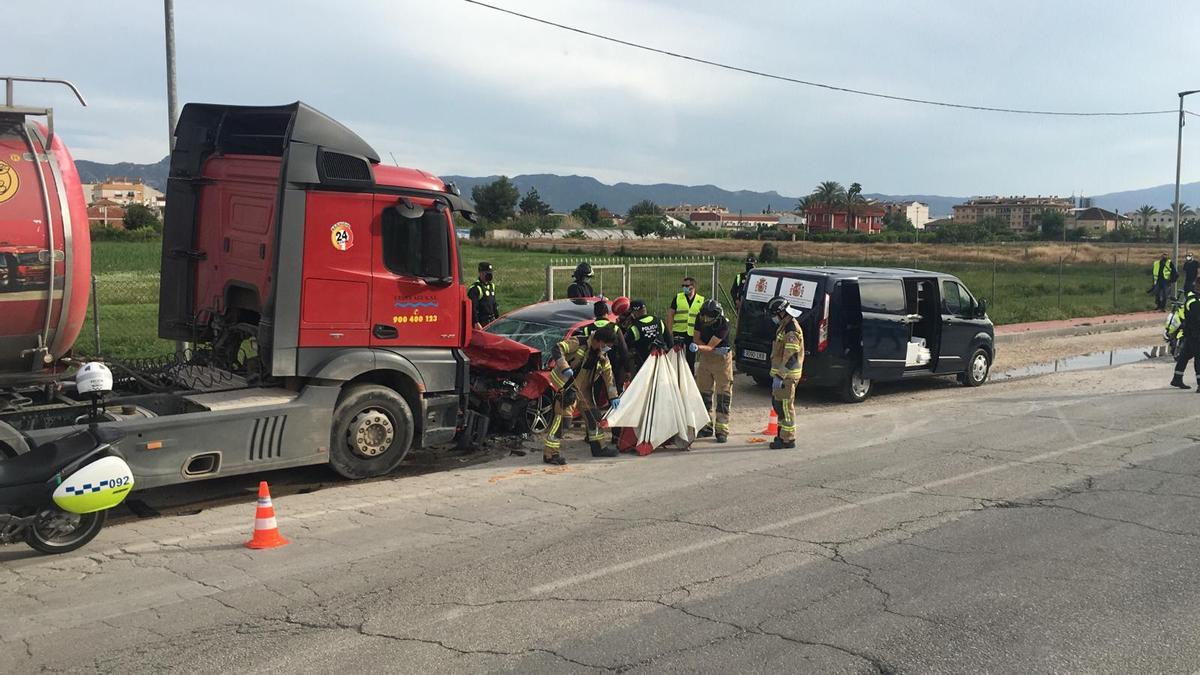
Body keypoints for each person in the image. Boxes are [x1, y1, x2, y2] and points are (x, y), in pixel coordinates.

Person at [544, 326, 621, 463]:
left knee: (594, 418)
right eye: (606, 346)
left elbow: (609, 377)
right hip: (567, 387)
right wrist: (564, 367)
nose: (607, 349)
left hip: (584, 391)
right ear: (600, 341)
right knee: (563, 421)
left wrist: (613, 396)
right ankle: (550, 454)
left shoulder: (602, 356)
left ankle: (598, 448)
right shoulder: (579, 342)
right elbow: (557, 348)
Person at [692, 299, 733, 443]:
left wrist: (703, 348)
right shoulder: (700, 318)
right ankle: (706, 426)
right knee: (704, 393)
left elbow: (710, 346)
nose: (705, 319)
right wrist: (702, 347)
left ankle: (722, 430)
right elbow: (696, 338)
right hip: (706, 358)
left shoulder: (723, 324)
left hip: (722, 360)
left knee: (723, 395)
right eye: (704, 316)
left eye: (708, 316)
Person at [766, 296, 804, 450]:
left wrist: (780, 376)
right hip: (781, 376)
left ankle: (788, 439)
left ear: (782, 313)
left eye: (774, 314)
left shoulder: (791, 330)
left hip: (787, 376)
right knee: (778, 406)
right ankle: (781, 435)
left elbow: (792, 358)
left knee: (786, 408)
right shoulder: (784, 325)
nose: (773, 318)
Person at [572, 300, 630, 396]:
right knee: (614, 391)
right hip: (612, 365)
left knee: (593, 395)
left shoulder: (587, 329)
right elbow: (623, 350)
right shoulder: (614, 328)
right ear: (607, 312)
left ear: (595, 313)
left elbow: (582, 347)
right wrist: (627, 369)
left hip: (593, 367)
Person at [668, 276, 705, 372]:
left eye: (686, 285)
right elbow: (670, 314)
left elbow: (703, 319)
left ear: (693, 287)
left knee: (690, 359)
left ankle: (689, 380)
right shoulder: (678, 297)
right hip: (678, 332)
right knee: (676, 358)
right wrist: (669, 331)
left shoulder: (700, 300)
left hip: (692, 333)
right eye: (683, 285)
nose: (684, 287)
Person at [620, 299, 668, 372]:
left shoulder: (634, 327)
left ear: (634, 313)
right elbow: (670, 341)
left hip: (644, 367)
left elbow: (624, 347)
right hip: (661, 364)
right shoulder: (659, 321)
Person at [1170, 290, 1200, 390]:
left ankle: (1177, 378)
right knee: (1199, 357)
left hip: (1191, 333)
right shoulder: (1194, 301)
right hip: (1196, 334)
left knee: (1184, 355)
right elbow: (1197, 319)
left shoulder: (1192, 298)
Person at [466, 262, 499, 328]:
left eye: (490, 273)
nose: (489, 275)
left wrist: (497, 318)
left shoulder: (491, 286)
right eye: (486, 273)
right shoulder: (476, 288)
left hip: (492, 320)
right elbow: (473, 308)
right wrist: (476, 322)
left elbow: (494, 303)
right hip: (482, 321)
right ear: (481, 273)